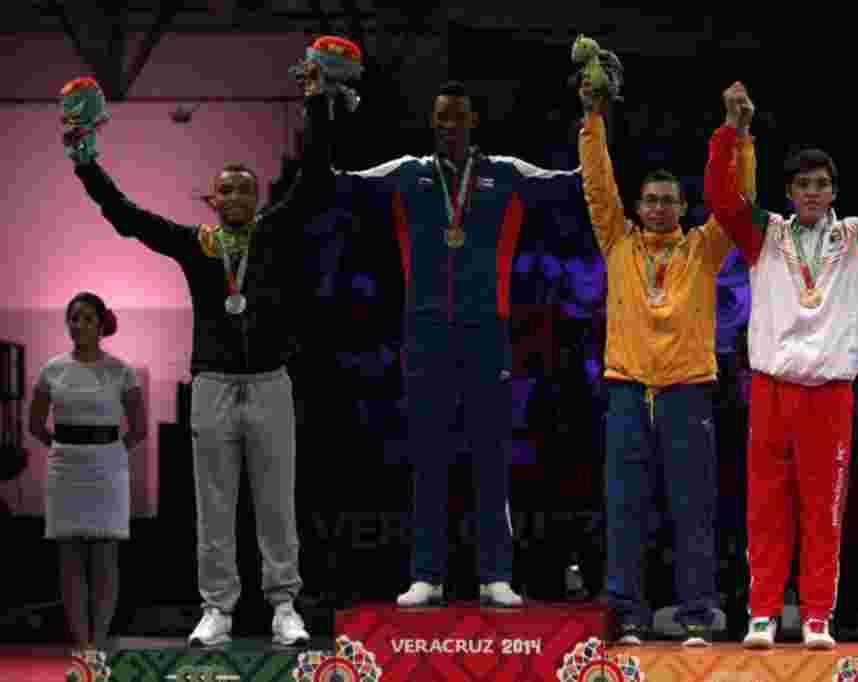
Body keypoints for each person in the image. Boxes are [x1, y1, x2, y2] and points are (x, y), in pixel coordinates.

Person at [62, 64, 329, 647]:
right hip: (212, 384)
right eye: (225, 189)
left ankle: (284, 605)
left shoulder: (276, 232)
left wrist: (315, 102)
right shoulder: (195, 245)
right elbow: (127, 218)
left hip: (270, 383)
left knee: (276, 501)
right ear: (214, 199)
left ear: (257, 198)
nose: (233, 196)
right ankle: (217, 609)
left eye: (244, 188)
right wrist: (85, 163)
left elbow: (312, 180)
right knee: (214, 503)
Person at [302, 78, 582, 607]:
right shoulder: (407, 173)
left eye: (457, 116)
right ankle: (426, 574)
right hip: (424, 333)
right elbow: (330, 182)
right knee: (428, 457)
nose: (447, 124)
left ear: (474, 121)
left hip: (488, 334)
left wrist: (594, 115)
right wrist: (320, 108)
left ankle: (495, 574)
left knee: (491, 455)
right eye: (440, 116)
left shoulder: (507, 173)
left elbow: (577, 183)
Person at [705, 81, 858, 649]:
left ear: (834, 190)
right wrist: (732, 131)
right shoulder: (765, 234)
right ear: (789, 191)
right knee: (766, 509)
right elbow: (722, 199)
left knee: (823, 511)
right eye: (803, 185)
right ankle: (763, 614)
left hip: (829, 396)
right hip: (770, 390)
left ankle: (817, 615)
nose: (812, 193)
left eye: (821, 185)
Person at [577, 80, 756, 646]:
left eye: (668, 201)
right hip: (627, 391)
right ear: (637, 206)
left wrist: (740, 136)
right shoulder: (617, 241)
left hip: (688, 392)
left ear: (683, 207)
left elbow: (739, 204)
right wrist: (593, 120)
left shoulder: (704, 247)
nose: (658, 208)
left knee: (693, 511)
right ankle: (626, 617)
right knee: (625, 510)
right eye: (650, 200)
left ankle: (697, 616)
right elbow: (597, 186)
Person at [28, 292, 146, 652]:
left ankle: (101, 639)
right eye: (74, 318)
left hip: (108, 465)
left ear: (101, 324)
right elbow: (35, 425)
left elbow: (139, 429)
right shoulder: (52, 369)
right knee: (70, 558)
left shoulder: (121, 371)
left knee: (106, 556)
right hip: (65, 465)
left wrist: (109, 452)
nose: (79, 325)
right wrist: (64, 449)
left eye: (87, 318)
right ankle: (82, 645)